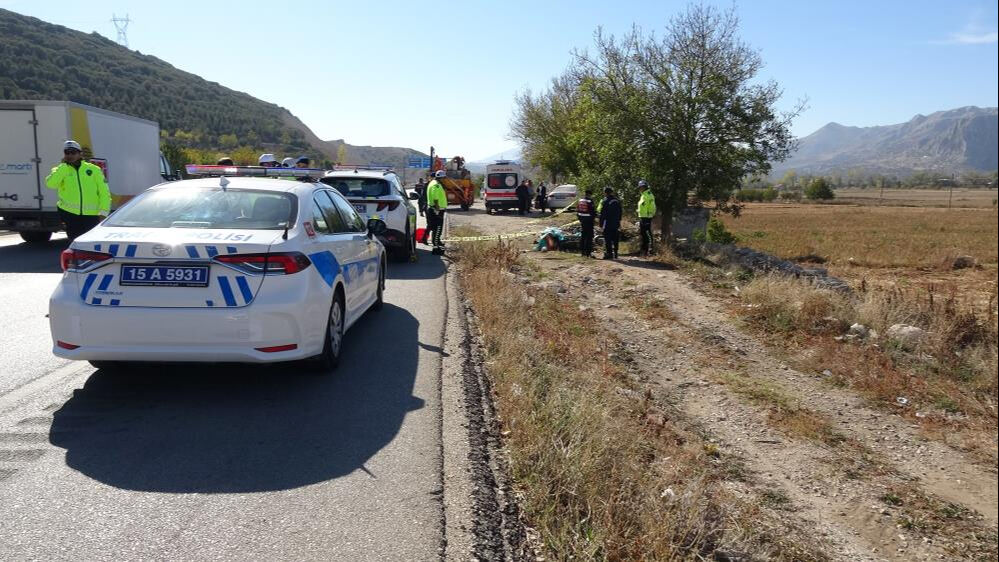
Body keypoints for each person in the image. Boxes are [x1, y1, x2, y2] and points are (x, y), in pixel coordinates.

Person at [44, 140, 111, 241]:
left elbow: (104, 192)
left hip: (91, 216)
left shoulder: (94, 170)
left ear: (80, 154)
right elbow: (51, 184)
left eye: (73, 152)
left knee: (91, 244)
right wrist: (64, 168)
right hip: (70, 215)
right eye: (67, 152)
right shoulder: (60, 169)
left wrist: (104, 212)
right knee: (75, 243)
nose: (70, 155)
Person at [425, 170, 448, 254]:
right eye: (443, 178)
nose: (444, 179)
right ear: (441, 178)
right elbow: (435, 198)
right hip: (436, 210)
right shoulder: (436, 185)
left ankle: (436, 244)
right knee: (438, 228)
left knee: (435, 228)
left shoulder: (432, 182)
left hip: (433, 209)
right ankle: (435, 248)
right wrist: (437, 209)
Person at [599, 187, 622, 259]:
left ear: (605, 193)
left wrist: (601, 223)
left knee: (608, 238)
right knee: (615, 238)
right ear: (611, 192)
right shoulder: (617, 201)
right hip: (616, 222)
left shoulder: (605, 201)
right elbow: (620, 211)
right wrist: (619, 220)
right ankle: (616, 253)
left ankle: (609, 254)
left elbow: (603, 213)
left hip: (608, 222)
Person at [637, 180, 657, 257]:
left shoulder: (649, 195)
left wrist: (650, 216)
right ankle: (644, 251)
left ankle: (650, 250)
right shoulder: (643, 195)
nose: (641, 188)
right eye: (640, 187)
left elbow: (652, 207)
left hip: (647, 218)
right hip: (642, 217)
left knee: (648, 233)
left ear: (645, 187)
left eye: (642, 187)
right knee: (643, 234)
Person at [576, 189, 596, 257]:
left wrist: (580, 219)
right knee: (589, 237)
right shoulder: (590, 201)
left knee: (583, 236)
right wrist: (593, 219)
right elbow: (592, 212)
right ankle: (588, 253)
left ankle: (582, 252)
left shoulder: (580, 200)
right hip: (589, 221)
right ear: (590, 194)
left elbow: (577, 211)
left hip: (582, 221)